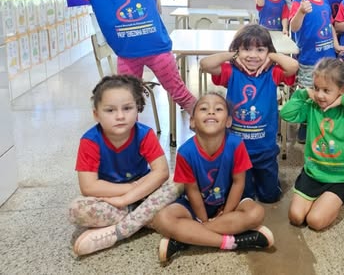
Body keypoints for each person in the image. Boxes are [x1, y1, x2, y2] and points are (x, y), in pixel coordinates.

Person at [57, 0, 197, 114]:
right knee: (127, 102)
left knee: (180, 93)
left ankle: (207, 124)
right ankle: (131, 132)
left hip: (159, 52)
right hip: (127, 55)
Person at [153, 93, 275, 263]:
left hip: (230, 203)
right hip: (195, 206)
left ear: (228, 121)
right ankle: (231, 242)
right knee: (162, 219)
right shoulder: (185, 152)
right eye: (204, 109)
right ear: (192, 122)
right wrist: (203, 219)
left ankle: (187, 237)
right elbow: (192, 190)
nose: (211, 112)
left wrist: (226, 213)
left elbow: (238, 183)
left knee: (256, 213)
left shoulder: (236, 144)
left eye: (218, 109)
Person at [68, 75, 182, 256]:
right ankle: (151, 219)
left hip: (144, 193)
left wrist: (128, 198)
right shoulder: (90, 141)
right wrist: (130, 189)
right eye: (110, 110)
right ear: (96, 114)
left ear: (137, 109)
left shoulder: (144, 134)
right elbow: (88, 187)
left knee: (179, 180)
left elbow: (161, 172)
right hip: (113, 198)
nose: (120, 116)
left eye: (127, 108)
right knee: (77, 209)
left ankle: (118, 232)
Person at [200, 24, 298, 203]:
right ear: (238, 50)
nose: (253, 55)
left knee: (270, 197)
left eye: (260, 50)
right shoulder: (232, 72)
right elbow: (205, 64)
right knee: (244, 196)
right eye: (246, 49)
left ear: (268, 51)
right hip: (238, 150)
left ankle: (265, 182)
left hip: (265, 149)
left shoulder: (272, 73)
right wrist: (232, 54)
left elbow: (293, 66)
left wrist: (272, 56)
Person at [280, 58, 344, 230]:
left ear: (342, 90)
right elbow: (287, 114)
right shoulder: (312, 106)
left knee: (315, 221)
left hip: (340, 178)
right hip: (313, 173)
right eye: (316, 88)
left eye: (326, 90)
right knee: (296, 217)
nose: (319, 95)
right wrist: (304, 93)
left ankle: (334, 200)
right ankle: (323, 201)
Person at [289, 0, 343, 143]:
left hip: (328, 59)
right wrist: (301, 12)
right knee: (309, 93)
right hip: (309, 59)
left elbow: (330, 26)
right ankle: (305, 125)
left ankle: (323, 123)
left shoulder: (325, 1)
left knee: (326, 90)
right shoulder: (299, 1)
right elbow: (294, 27)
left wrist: (336, 45)